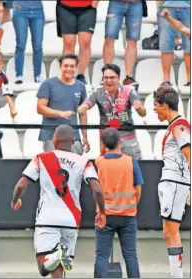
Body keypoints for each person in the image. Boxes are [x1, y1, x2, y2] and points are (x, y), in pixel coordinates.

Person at [11, 124, 106, 278]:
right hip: (71, 220)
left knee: (44, 267)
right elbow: (97, 189)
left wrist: (15, 200)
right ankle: (58, 255)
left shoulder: (41, 158)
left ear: (54, 140)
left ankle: (55, 255)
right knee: (59, 267)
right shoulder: (84, 161)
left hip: (47, 219)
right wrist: (102, 211)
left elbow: (21, 184)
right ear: (73, 141)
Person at [93, 128, 143, 278]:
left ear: (103, 144)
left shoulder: (98, 163)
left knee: (102, 256)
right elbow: (138, 189)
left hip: (105, 215)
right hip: (128, 216)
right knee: (130, 255)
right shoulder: (131, 162)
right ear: (120, 142)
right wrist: (132, 205)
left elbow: (96, 189)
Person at [153, 86, 190, 278]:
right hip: (172, 182)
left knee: (172, 233)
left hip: (175, 182)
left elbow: (190, 155)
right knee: (169, 233)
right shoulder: (174, 125)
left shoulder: (179, 126)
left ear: (165, 106)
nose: (154, 110)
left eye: (156, 106)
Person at [78, 63, 146, 159]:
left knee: (133, 171)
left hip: (128, 140)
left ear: (118, 78)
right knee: (109, 172)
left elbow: (143, 113)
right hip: (107, 141)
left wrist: (140, 109)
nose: (108, 80)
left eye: (112, 77)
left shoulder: (129, 90)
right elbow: (86, 104)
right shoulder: (98, 93)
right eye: (106, 78)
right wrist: (82, 108)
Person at [37, 54, 90, 155]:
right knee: (56, 167)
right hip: (51, 135)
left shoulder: (81, 86)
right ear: (60, 67)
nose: (68, 69)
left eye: (72, 66)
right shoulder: (48, 84)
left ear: (76, 67)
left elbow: (82, 113)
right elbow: (40, 108)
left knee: (74, 167)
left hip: (73, 135)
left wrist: (85, 136)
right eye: (66, 66)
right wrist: (60, 113)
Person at [56, 0, 99, 84]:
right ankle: (68, 75)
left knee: (85, 42)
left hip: (88, 7)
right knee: (69, 42)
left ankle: (80, 75)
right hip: (65, 6)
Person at [103, 0, 143, 89]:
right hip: (116, 2)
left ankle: (128, 76)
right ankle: (107, 73)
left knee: (133, 40)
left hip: (136, 3)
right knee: (109, 38)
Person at [158, 0, 190, 87]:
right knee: (166, 44)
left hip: (188, 6)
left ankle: (189, 78)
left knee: (189, 45)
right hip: (167, 5)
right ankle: (166, 79)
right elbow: (181, 28)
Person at [12, 0, 45, 84]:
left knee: (38, 45)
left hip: (38, 9)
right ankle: (19, 74)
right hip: (19, 7)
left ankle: (37, 75)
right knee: (20, 44)